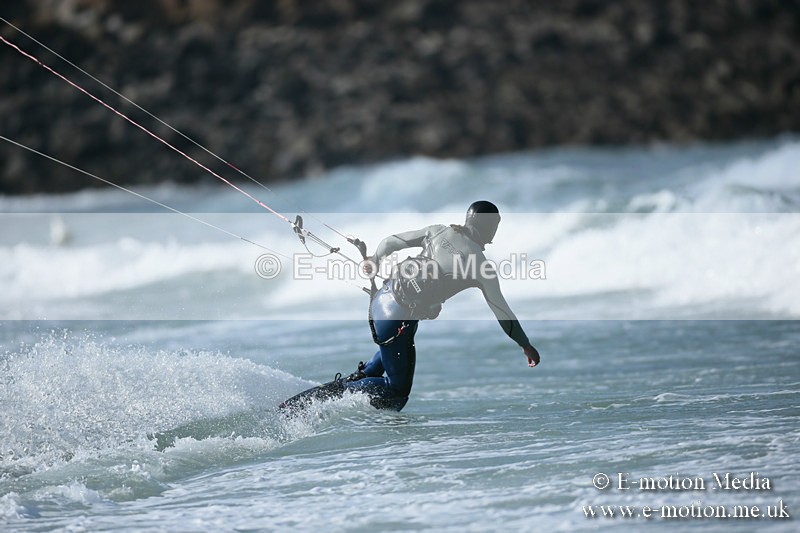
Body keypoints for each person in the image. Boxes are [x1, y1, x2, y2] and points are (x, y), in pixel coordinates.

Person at [340, 200, 540, 411]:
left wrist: (375, 260)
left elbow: (390, 242)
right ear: (491, 227)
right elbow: (503, 314)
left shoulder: (437, 232)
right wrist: (525, 345)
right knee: (397, 392)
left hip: (380, 302)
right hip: (396, 324)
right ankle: (337, 394)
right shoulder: (482, 268)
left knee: (395, 349)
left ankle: (360, 378)